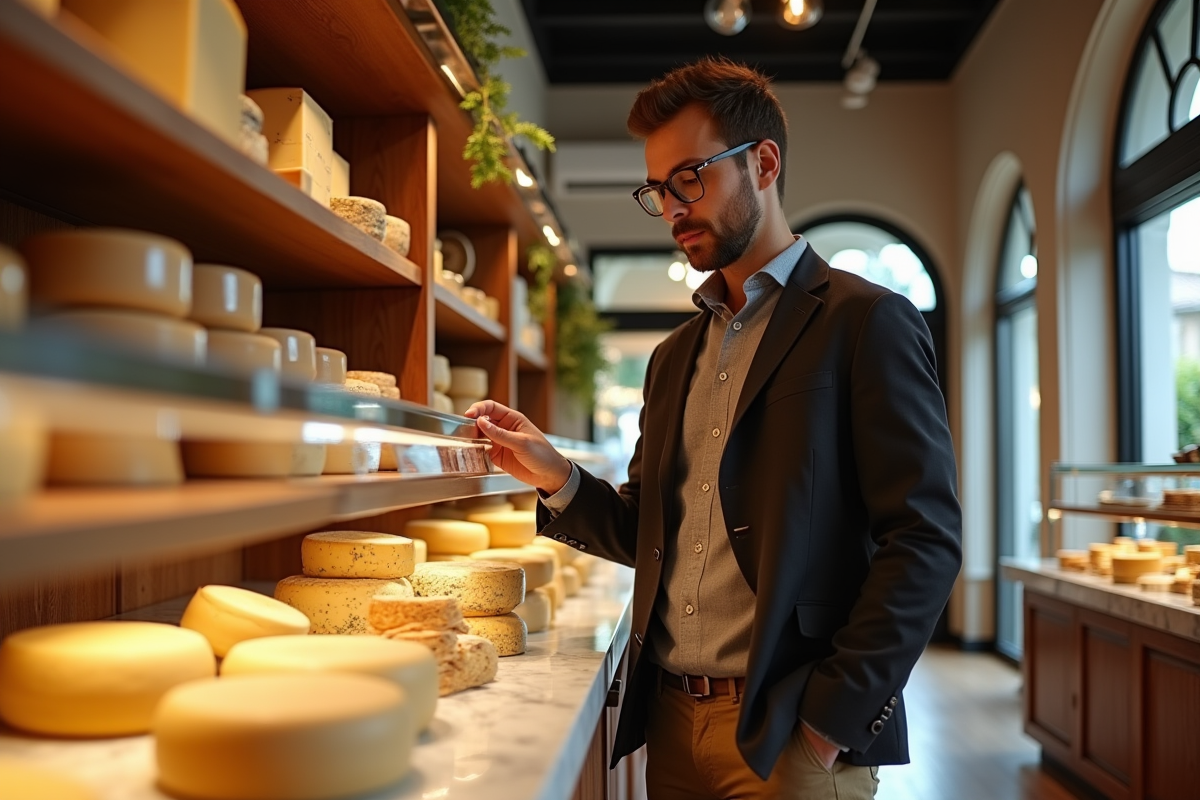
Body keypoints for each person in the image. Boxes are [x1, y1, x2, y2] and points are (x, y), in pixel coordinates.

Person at [465, 57, 962, 800]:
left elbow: (924, 538)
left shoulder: (867, 322)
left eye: (689, 178)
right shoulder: (673, 358)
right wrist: (555, 474)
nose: (671, 208)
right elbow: (647, 531)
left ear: (763, 164)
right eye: (658, 189)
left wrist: (831, 722)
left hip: (789, 738)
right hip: (666, 721)